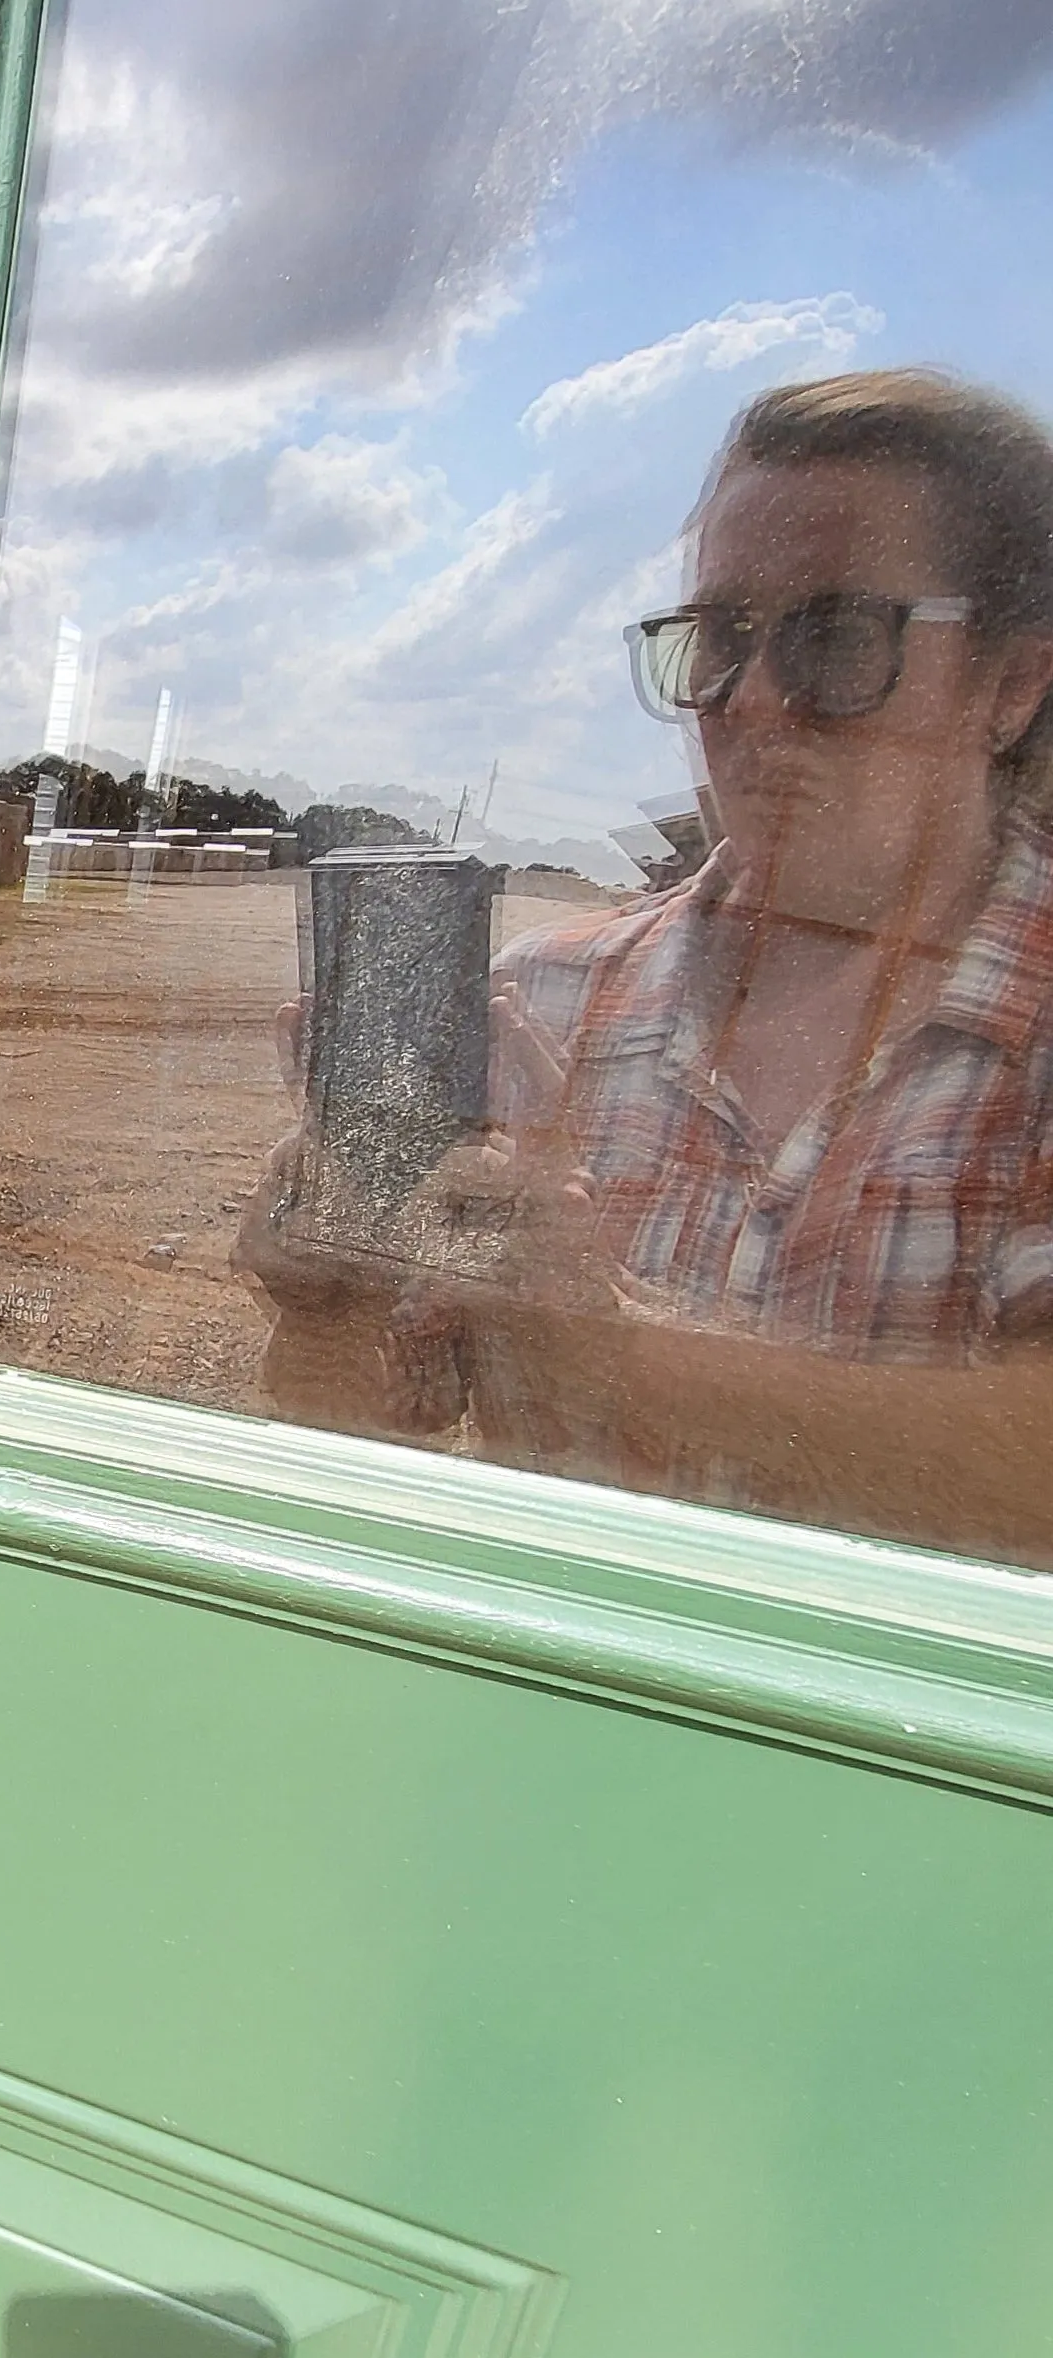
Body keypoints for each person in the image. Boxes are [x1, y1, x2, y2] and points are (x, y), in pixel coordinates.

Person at [240, 369, 1053, 1566]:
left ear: (1010, 683)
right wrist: (331, 1302)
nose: (755, 703)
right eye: (718, 641)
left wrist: (611, 1357)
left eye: (837, 638)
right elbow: (360, 1433)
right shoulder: (554, 999)